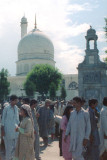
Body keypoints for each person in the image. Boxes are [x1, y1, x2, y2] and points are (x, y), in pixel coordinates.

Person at [1, 95, 19, 160]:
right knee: (8, 148)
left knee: (15, 147)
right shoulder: (6, 108)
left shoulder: (16, 108)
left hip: (15, 130)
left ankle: (12, 158)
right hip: (7, 130)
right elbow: (2, 120)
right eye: (15, 100)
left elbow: (17, 119)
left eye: (16, 100)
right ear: (11, 100)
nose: (16, 102)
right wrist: (2, 130)